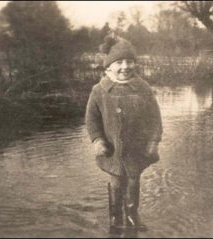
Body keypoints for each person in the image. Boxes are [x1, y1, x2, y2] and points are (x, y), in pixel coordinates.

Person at [85, 34, 163, 232]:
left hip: (137, 147)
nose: (125, 66)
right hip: (113, 148)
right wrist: (98, 140)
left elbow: (155, 117)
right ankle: (115, 217)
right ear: (108, 66)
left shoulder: (143, 88)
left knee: (134, 179)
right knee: (116, 180)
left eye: (129, 61)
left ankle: (131, 215)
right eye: (119, 62)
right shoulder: (99, 90)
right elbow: (91, 119)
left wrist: (153, 141)